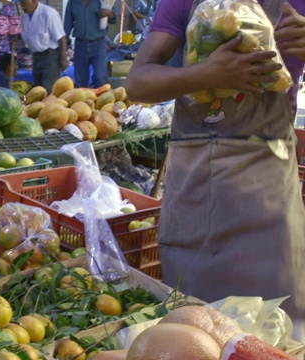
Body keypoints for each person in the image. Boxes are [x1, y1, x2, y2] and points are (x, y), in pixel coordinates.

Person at [126, 0, 305, 341]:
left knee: (278, 332)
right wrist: (208, 75)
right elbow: (137, 83)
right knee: (193, 331)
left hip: (267, 191)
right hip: (197, 187)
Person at [63, 0, 117, 88]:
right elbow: (67, 24)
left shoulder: (103, 1)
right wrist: (64, 47)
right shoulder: (72, 2)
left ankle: (101, 100)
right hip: (80, 45)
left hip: (98, 44)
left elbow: (113, 18)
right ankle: (84, 101)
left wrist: (108, 13)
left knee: (100, 78)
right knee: (81, 80)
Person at [19, 0, 68, 91]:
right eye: (21, 4)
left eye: (24, 4)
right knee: (38, 90)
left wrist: (63, 58)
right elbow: (26, 34)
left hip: (50, 56)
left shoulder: (49, 13)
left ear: (33, 1)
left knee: (49, 89)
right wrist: (16, 38)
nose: (22, 7)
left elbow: (62, 38)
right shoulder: (25, 15)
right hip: (36, 56)